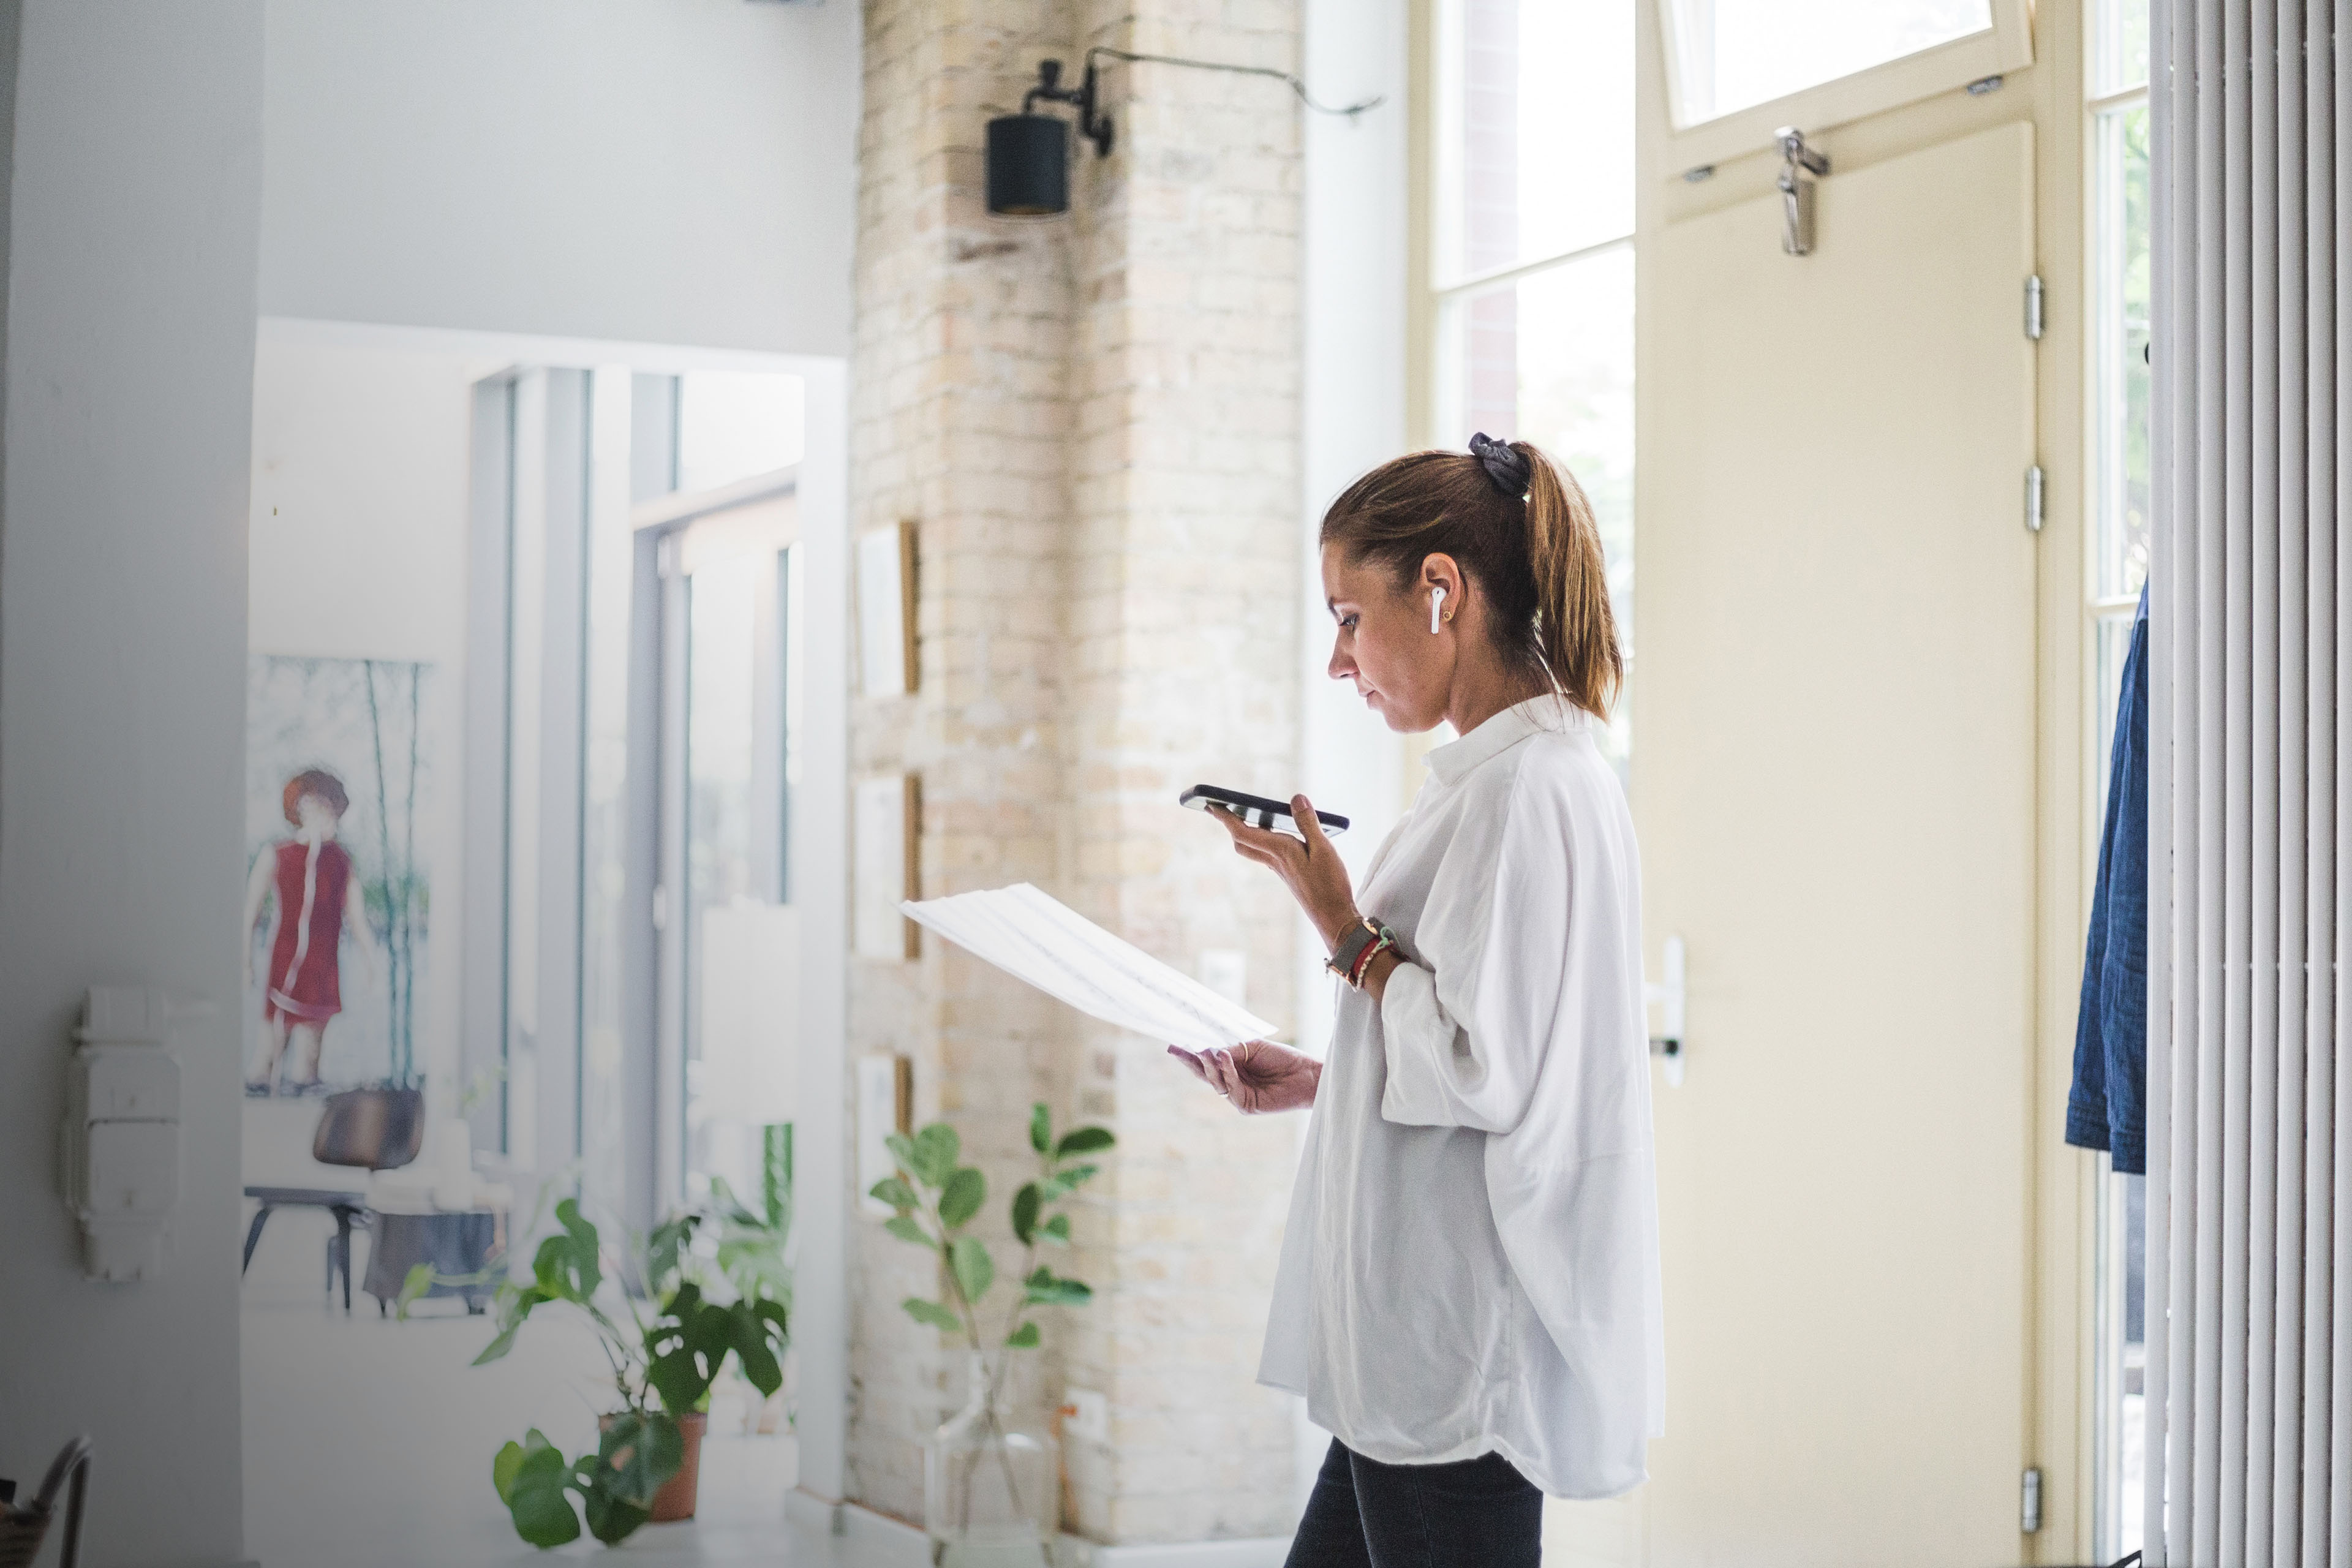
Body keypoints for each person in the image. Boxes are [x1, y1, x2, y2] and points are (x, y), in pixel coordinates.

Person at [1178, 434, 1663, 1568]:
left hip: (1452, 1360)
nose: (1339, 662)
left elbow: (1476, 1071)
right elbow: (1474, 1044)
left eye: (1349, 617)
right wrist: (1328, 1071)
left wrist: (1345, 933)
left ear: (1441, 590)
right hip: (1411, 1357)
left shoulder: (1527, 792)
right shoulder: (1515, 781)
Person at [243, 767, 374, 1095]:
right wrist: (245, 961)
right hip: (287, 962)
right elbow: (252, 913)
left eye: (328, 806)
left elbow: (356, 915)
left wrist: (372, 961)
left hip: (323, 965)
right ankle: (261, 1101)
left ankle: (303, 1100)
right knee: (271, 1048)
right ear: (299, 809)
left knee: (311, 1055)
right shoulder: (278, 855)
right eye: (313, 805)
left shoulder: (341, 861)